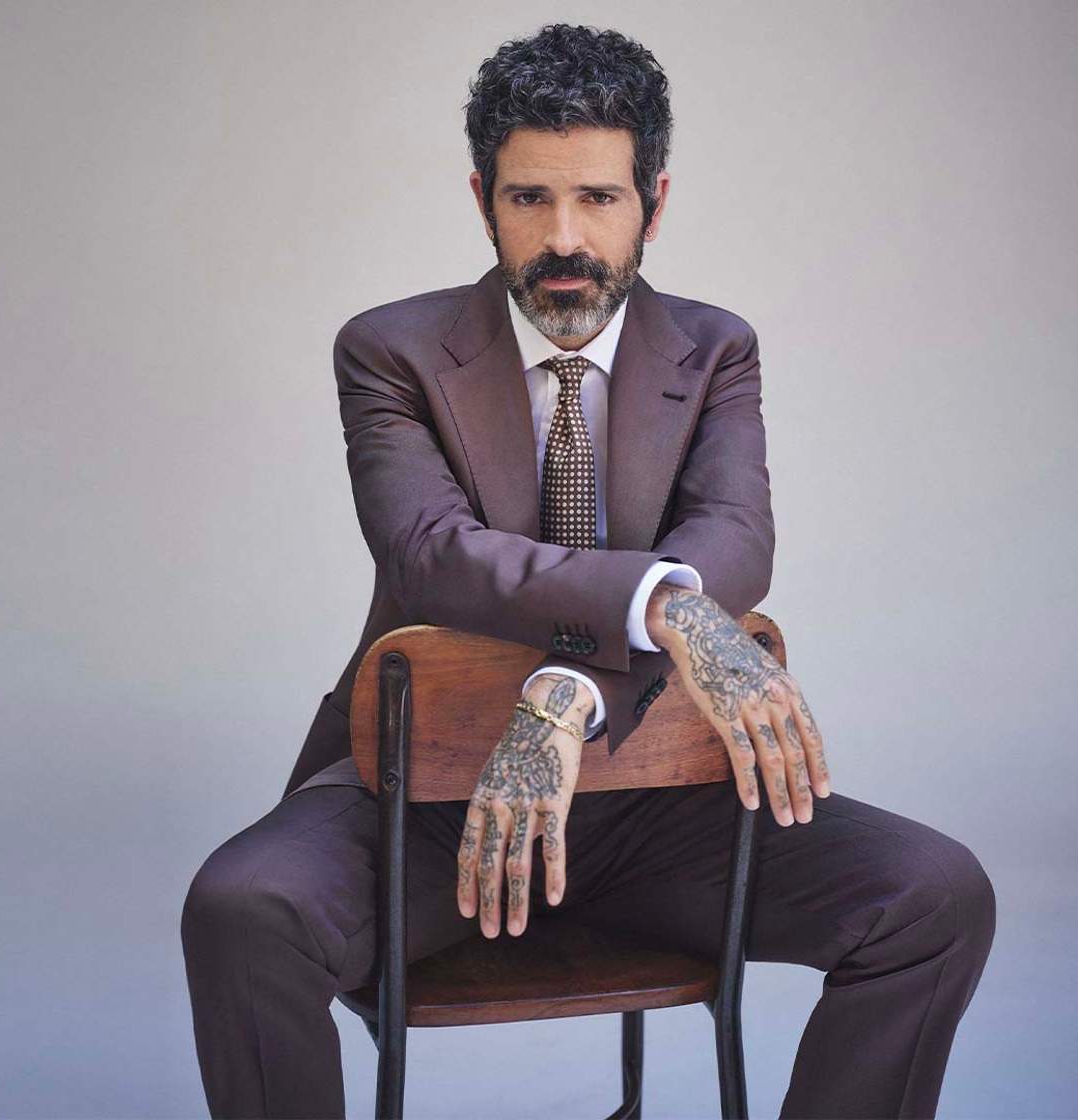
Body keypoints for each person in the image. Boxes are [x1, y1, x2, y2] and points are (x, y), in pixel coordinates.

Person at [180, 22, 994, 1119]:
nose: (564, 238)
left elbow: (736, 539)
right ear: (484, 201)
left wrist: (567, 692)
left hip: (656, 810)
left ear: (653, 203)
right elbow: (432, 556)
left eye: (599, 198)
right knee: (241, 912)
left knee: (936, 897)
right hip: (426, 802)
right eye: (530, 198)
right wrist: (672, 608)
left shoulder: (715, 351)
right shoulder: (390, 351)